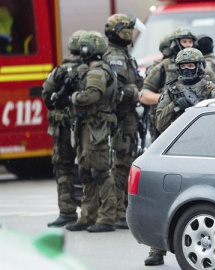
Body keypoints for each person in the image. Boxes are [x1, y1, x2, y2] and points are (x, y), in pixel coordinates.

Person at [142, 48, 215, 266]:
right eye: (183, 66)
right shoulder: (171, 90)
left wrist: (198, 108)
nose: (187, 70)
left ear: (198, 66)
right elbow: (159, 122)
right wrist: (176, 106)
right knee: (164, 200)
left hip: (204, 152)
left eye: (191, 66)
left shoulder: (209, 88)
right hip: (175, 151)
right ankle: (156, 249)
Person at [65, 31, 118, 233]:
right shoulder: (91, 69)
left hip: (96, 127)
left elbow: (92, 95)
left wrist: (74, 97)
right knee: (86, 172)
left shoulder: (97, 71)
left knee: (100, 172)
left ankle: (107, 218)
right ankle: (87, 217)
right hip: (87, 126)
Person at [139, 27, 215, 143]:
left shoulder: (202, 66)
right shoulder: (164, 66)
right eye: (184, 41)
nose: (188, 45)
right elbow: (144, 95)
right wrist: (173, 100)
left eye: (190, 42)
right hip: (169, 126)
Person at [41, 30, 86, 228]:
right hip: (87, 127)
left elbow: (46, 95)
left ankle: (67, 212)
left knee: (63, 167)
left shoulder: (61, 70)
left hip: (64, 128)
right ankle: (92, 213)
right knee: (90, 168)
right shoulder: (93, 69)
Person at [103, 13, 143, 230]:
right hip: (120, 118)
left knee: (127, 163)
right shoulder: (115, 58)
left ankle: (123, 208)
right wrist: (137, 94)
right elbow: (115, 90)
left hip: (128, 117)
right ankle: (119, 210)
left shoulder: (124, 55)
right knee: (121, 165)